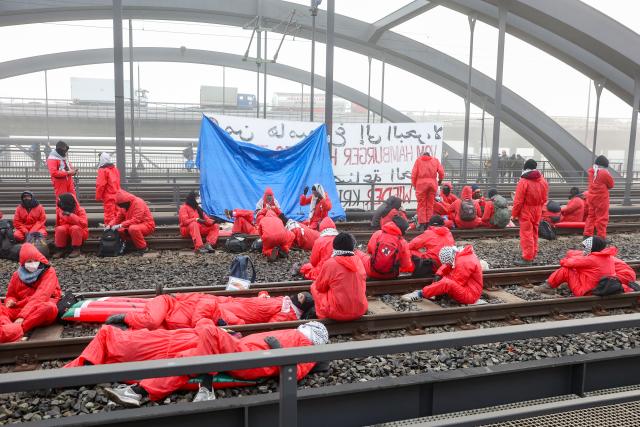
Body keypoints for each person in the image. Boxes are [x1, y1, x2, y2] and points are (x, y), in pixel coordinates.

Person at [65, 321, 329, 407]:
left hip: (253, 362)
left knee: (208, 330)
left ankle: (204, 384)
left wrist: (278, 350)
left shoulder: (308, 348)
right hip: (243, 352)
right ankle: (141, 391)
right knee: (190, 352)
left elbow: (294, 373)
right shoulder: (299, 338)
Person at [105, 291, 315, 330]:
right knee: (151, 322)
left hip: (224, 308)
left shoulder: (286, 312)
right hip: (218, 305)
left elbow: (269, 326)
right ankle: (126, 316)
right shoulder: (285, 304)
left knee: (151, 326)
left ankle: (126, 320)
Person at [0, 243, 61, 343]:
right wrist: (10, 301)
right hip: (20, 308)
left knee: (50, 308)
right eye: (29, 261)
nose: (33, 263)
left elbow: (41, 296)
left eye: (35, 260)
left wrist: (22, 317)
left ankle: (18, 329)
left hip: (38, 308)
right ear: (23, 263)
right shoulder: (17, 275)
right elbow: (11, 295)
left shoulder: (49, 272)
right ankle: (7, 327)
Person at [535, 237, 633, 296]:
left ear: (592, 248)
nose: (584, 249)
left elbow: (567, 263)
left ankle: (547, 287)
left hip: (586, 291)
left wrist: (564, 259)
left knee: (566, 270)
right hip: (600, 288)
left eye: (586, 247)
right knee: (581, 270)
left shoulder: (591, 259)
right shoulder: (608, 257)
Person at [311, 232, 367, 321]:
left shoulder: (330, 263)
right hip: (360, 310)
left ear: (334, 246)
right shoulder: (358, 260)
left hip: (337, 313)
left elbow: (320, 287)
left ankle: (322, 316)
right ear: (352, 246)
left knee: (314, 286)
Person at [401, 245, 483, 305]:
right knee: (444, 278)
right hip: (468, 289)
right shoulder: (461, 255)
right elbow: (447, 265)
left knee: (446, 282)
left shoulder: (464, 262)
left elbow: (455, 282)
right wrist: (438, 274)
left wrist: (437, 287)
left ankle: (420, 294)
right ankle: (430, 291)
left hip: (470, 296)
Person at [512, 159, 548, 266]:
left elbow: (518, 201)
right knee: (534, 233)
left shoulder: (523, 181)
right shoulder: (542, 180)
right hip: (537, 210)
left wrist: (514, 214)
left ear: (525, 168)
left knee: (526, 234)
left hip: (526, 210)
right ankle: (532, 254)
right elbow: (545, 198)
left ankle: (527, 258)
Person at [358, 215, 414, 280]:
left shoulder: (378, 234)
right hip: (391, 275)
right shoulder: (403, 242)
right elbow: (406, 265)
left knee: (358, 253)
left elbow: (370, 250)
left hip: (372, 272)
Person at [107, 190, 156, 255]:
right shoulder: (124, 206)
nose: (120, 207)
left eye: (120, 205)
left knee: (133, 228)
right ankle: (123, 247)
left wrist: (121, 225)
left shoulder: (138, 202)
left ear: (125, 201)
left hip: (147, 225)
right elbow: (117, 218)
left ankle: (143, 249)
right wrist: (109, 225)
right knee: (119, 230)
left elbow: (136, 219)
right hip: (131, 225)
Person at [411, 151, 445, 229]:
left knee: (421, 204)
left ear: (423, 155)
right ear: (430, 155)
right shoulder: (435, 160)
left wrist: (414, 185)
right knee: (430, 204)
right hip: (432, 184)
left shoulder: (418, 161)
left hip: (421, 185)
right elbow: (441, 172)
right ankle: (429, 223)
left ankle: (422, 223)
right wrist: (440, 181)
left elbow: (413, 175)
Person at [584, 155, 614, 238]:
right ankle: (601, 237)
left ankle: (587, 236)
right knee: (602, 218)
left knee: (591, 217)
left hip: (591, 197)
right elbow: (611, 185)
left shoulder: (591, 172)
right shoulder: (604, 172)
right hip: (601, 198)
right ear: (604, 165)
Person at [53, 193, 88, 259]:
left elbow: (83, 224)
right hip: (66, 230)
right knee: (59, 229)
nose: (59, 203)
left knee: (75, 228)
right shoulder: (60, 210)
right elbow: (58, 223)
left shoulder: (80, 210)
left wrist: (71, 215)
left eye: (61, 201)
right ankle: (60, 249)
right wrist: (57, 233)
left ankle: (76, 249)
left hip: (80, 231)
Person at [95, 152, 121, 225]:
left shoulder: (102, 170)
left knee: (109, 216)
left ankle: (110, 233)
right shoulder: (115, 169)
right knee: (118, 215)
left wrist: (98, 196)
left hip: (109, 196)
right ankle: (119, 231)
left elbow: (100, 185)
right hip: (117, 195)